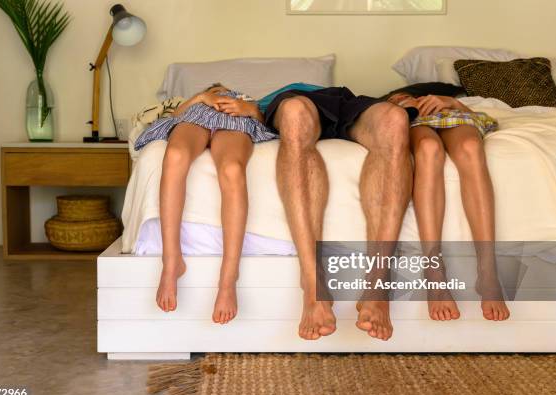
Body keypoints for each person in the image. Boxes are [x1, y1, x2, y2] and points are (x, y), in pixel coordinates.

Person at [264, 86, 419, 341]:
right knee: (294, 112)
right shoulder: (257, 101)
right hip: (298, 106)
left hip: (347, 103)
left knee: (396, 119)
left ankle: (378, 284)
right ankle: (313, 284)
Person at [134, 84, 277, 324]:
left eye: (224, 88)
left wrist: (248, 108)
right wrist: (201, 97)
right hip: (195, 119)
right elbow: (175, 115)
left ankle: (228, 279)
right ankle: (171, 263)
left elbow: (265, 120)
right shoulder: (198, 100)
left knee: (232, 169)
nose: (221, 88)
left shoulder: (244, 99)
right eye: (215, 87)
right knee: (174, 156)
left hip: (235, 120)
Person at [385, 83, 510, 322]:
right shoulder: (393, 110)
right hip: (415, 125)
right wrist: (401, 108)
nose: (403, 96)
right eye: (396, 96)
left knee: (472, 147)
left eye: (407, 95)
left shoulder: (445, 104)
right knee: (428, 148)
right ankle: (434, 272)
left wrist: (451, 102)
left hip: (454, 120)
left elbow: (480, 119)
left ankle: (488, 271)